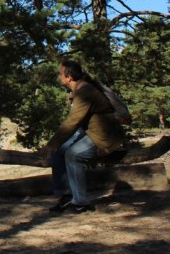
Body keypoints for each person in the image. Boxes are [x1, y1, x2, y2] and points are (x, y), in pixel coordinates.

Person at [41, 59, 125, 214]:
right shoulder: (79, 89)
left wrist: (51, 143)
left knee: (73, 155)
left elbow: (73, 121)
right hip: (91, 131)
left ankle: (81, 202)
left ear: (69, 77)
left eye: (61, 73)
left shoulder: (84, 91)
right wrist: (55, 146)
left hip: (104, 135)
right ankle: (66, 195)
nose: (59, 76)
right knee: (59, 152)